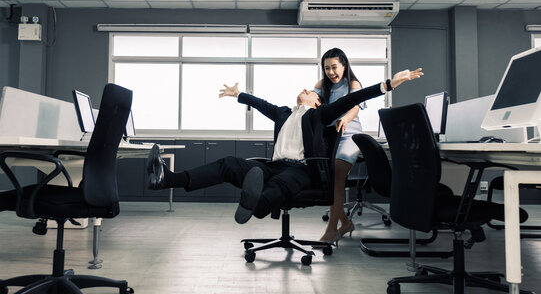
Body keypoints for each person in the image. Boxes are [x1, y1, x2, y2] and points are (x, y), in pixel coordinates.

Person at [146, 68, 423, 225]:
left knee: (281, 184)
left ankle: (257, 204)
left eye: (312, 91)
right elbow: (260, 103)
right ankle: (166, 178)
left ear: (317, 102)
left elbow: (354, 97)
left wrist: (388, 84)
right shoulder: (283, 113)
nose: (306, 89)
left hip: (302, 170)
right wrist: (237, 94)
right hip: (271, 167)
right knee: (229, 163)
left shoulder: (319, 115)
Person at [314, 48, 365, 244]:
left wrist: (344, 118)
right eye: (327, 68)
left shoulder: (353, 83)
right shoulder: (322, 85)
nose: (331, 72)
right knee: (330, 179)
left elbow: (355, 107)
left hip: (350, 135)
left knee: (337, 174)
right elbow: (311, 101)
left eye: (334, 67)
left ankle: (331, 230)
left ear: (344, 66)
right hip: (330, 136)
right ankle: (346, 224)